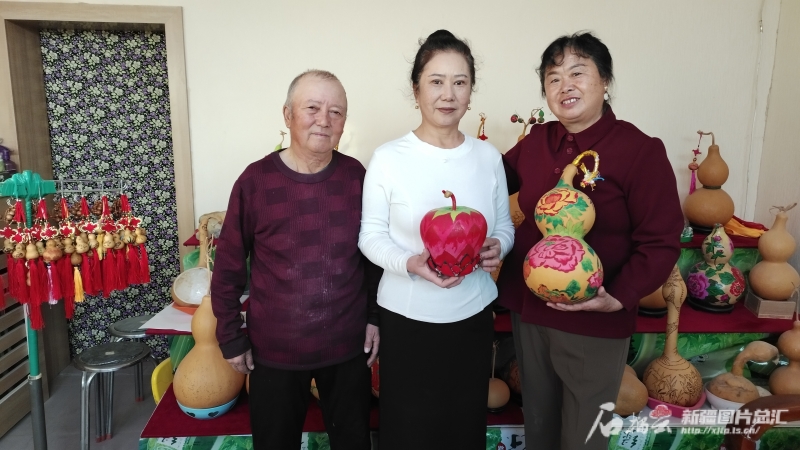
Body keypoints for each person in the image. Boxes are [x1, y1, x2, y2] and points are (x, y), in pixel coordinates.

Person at [497, 32, 684, 449]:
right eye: (553, 78)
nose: (565, 85)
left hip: (594, 317)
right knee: (540, 422)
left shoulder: (639, 150)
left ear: (605, 81)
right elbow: (488, 181)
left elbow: (661, 239)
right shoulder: (537, 142)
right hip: (530, 311)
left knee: (585, 433)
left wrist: (618, 297)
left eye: (578, 73)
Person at [359, 30, 515, 450]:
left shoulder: (488, 158)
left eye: (460, 82)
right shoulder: (389, 158)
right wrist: (409, 263)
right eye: (436, 81)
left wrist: (498, 245)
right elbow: (370, 236)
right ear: (416, 90)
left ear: (470, 91)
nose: (448, 94)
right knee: (410, 430)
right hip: (407, 318)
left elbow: (504, 226)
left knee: (463, 428)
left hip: (473, 315)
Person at [211, 70, 380, 450]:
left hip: (347, 346)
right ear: (287, 115)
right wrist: (230, 336)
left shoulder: (356, 177)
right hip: (275, 350)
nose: (324, 120)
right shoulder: (254, 182)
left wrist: (374, 317)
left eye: (336, 112)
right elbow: (228, 268)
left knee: (354, 442)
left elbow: (373, 258)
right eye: (312, 108)